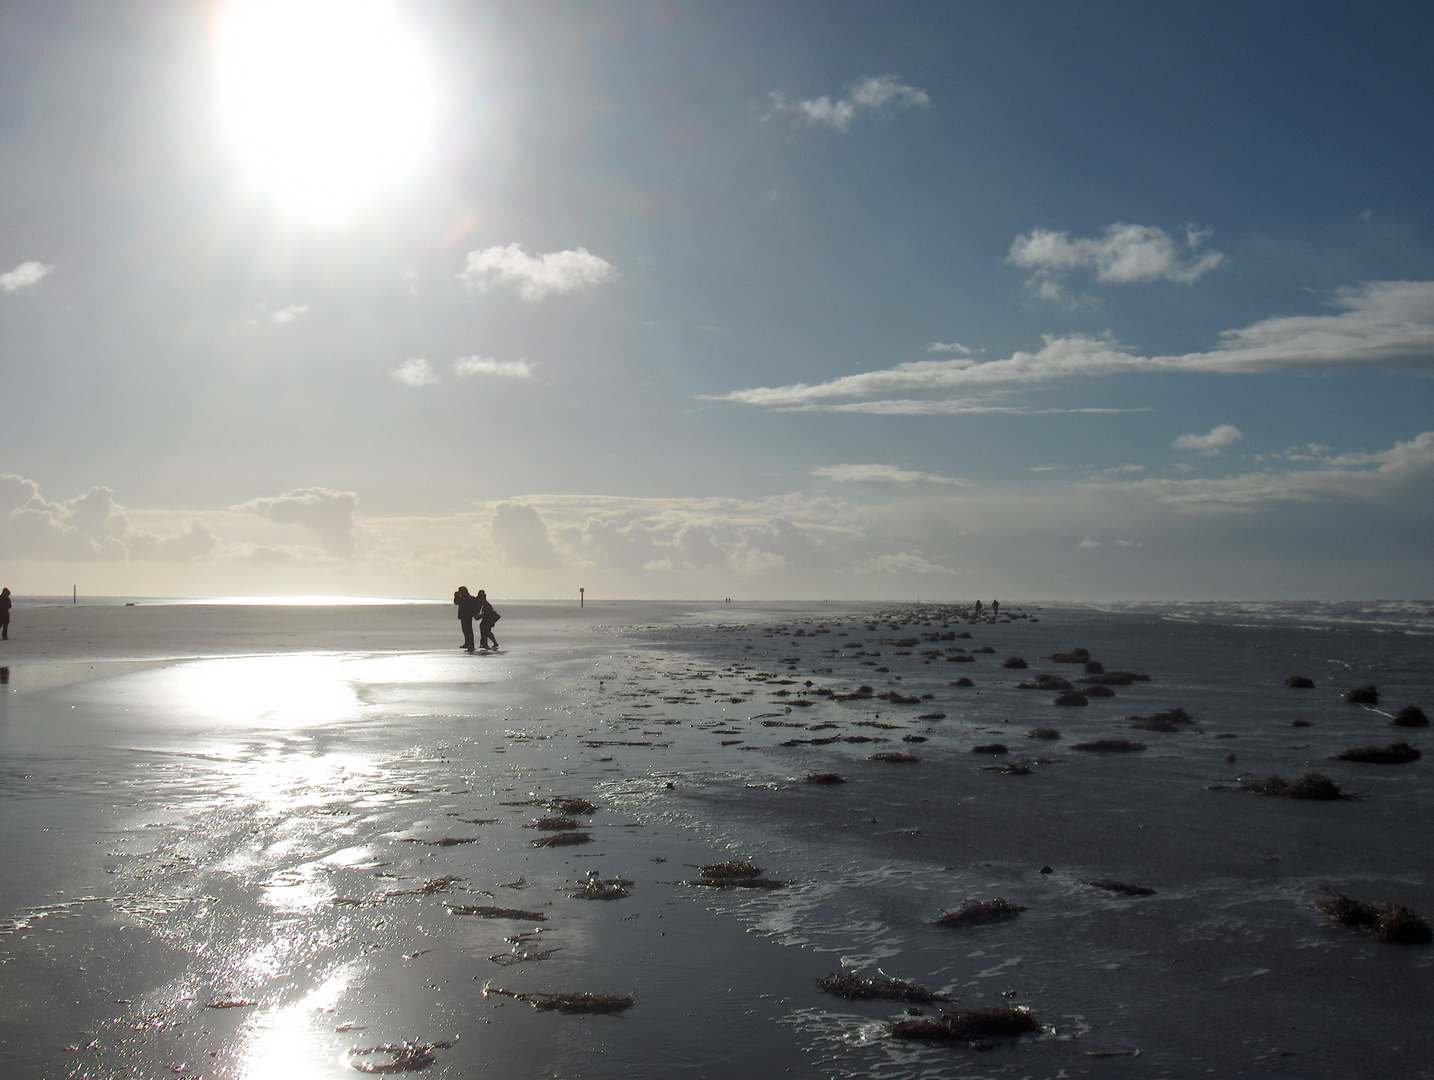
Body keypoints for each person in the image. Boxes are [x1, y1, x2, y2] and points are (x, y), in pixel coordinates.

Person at [453, 586, 479, 652]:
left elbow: (456, 602)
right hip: (466, 616)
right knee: (466, 630)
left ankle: (470, 644)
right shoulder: (469, 598)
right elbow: (456, 602)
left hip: (466, 616)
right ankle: (468, 643)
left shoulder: (465, 599)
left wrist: (456, 596)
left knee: (468, 630)